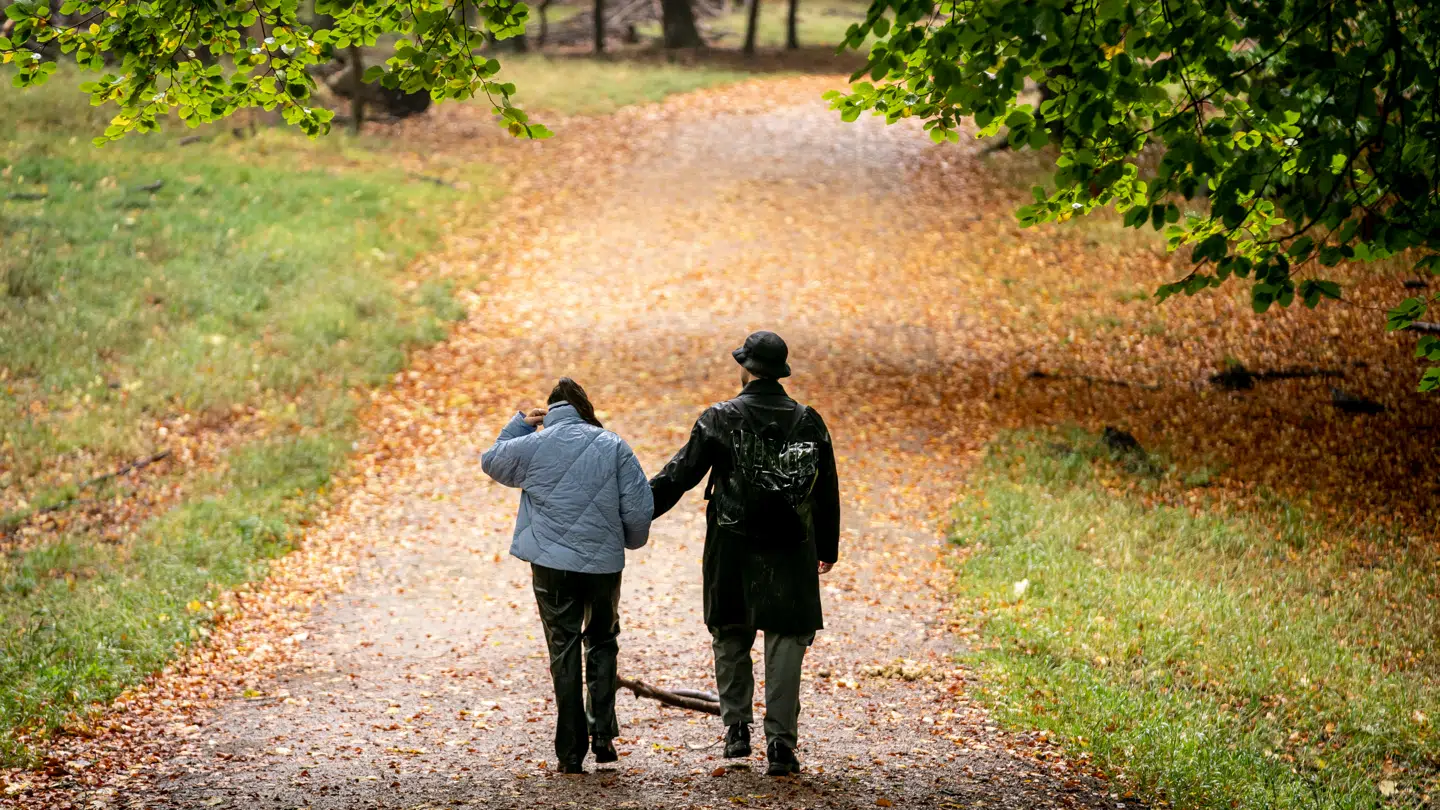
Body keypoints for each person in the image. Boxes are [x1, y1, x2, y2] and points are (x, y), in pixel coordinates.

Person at [649, 331, 840, 777]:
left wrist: (633, 511)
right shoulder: (811, 421)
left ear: (745, 368)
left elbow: (679, 476)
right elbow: (826, 490)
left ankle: (736, 728)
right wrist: (827, 547)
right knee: (787, 641)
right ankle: (781, 744)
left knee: (730, 630)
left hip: (732, 543)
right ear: (780, 372)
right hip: (793, 547)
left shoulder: (719, 419)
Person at [481, 377, 654, 774]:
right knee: (603, 640)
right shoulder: (612, 444)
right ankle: (604, 735)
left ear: (551, 411)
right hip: (603, 567)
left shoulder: (533, 444)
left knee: (563, 649)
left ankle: (569, 752)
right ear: (584, 408)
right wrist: (628, 541)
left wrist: (523, 423)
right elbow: (639, 509)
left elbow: (492, 459)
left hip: (550, 566)